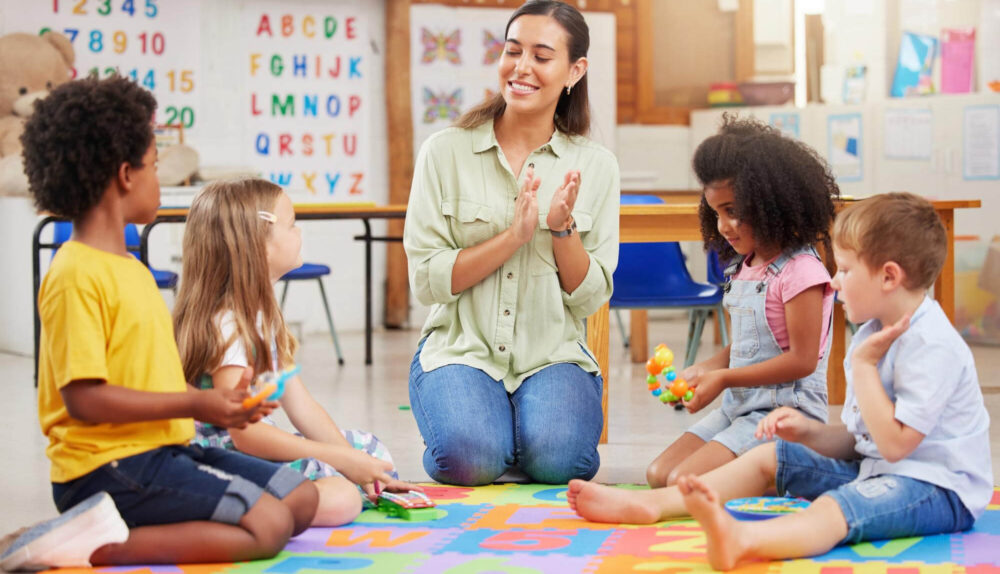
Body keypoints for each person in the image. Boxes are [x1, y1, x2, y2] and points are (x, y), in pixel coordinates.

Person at [568, 193, 993, 571]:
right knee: (771, 456)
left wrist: (861, 370)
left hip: (936, 488)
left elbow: (897, 445)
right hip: (875, 468)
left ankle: (746, 541)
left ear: (888, 276)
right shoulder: (872, 333)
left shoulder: (929, 345)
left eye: (844, 270)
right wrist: (810, 433)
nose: (835, 281)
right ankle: (649, 506)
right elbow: (865, 440)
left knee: (835, 508)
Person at [1, 76, 318, 572]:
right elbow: (84, 400)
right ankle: (81, 543)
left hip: (163, 450)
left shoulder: (131, 267)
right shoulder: (75, 273)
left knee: (299, 500)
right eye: (153, 167)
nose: (158, 181)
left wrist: (232, 404)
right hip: (106, 468)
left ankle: (115, 527)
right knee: (269, 527)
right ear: (126, 175)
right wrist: (198, 401)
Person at [403, 0, 620, 486]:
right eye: (512, 50)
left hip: (552, 354)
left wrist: (562, 230)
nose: (521, 67)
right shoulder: (445, 151)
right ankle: (489, 430)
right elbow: (429, 280)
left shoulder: (597, 165)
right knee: (468, 461)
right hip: (461, 349)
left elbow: (589, 296)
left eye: (542, 57)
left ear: (574, 70)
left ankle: (519, 431)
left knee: (562, 464)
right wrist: (515, 237)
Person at [173, 178, 420, 527]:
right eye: (291, 225)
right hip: (224, 458)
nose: (299, 232)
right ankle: (238, 512)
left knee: (369, 451)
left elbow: (300, 403)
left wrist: (349, 459)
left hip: (255, 447)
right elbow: (245, 435)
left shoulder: (260, 315)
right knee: (342, 499)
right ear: (259, 245)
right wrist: (338, 461)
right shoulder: (229, 326)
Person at [646, 115, 839, 487]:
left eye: (733, 211)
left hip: (785, 413)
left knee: (681, 482)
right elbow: (753, 346)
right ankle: (754, 473)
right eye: (715, 212)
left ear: (771, 203)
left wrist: (724, 378)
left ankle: (790, 466)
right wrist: (704, 369)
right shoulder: (744, 267)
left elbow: (801, 360)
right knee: (659, 476)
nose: (723, 226)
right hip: (740, 408)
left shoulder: (801, 271)